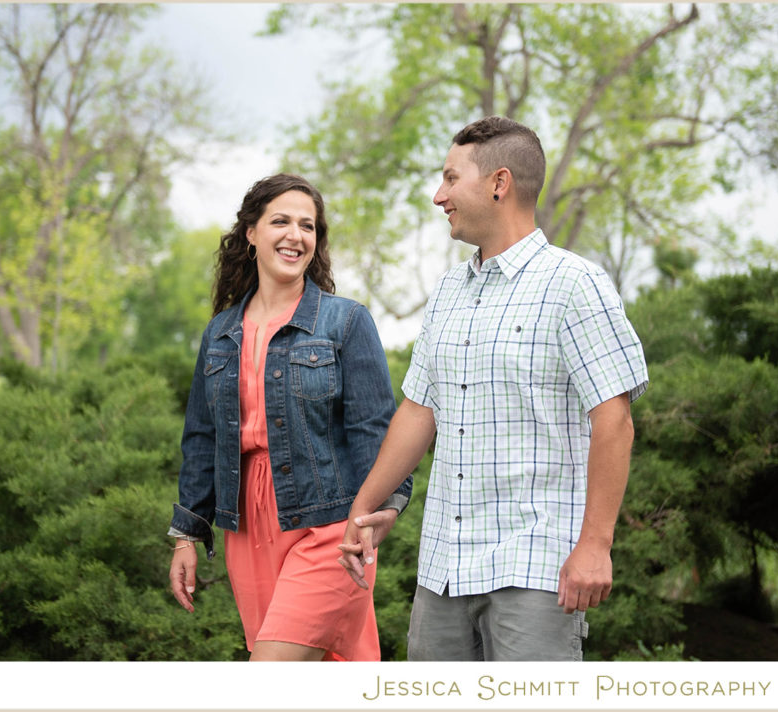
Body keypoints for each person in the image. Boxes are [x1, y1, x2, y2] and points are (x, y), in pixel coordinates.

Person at [338, 116, 649, 661]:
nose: (440, 197)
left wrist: (596, 545)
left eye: (451, 179)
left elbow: (614, 420)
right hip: (443, 570)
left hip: (535, 567)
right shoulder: (448, 292)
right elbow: (417, 413)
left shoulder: (575, 285)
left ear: (499, 184)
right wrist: (362, 509)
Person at [168, 173, 412, 661]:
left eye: (308, 226)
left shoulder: (345, 321)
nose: (295, 235)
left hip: (330, 525)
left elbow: (373, 428)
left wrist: (378, 510)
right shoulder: (220, 332)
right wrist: (186, 535)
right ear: (251, 233)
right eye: (280, 221)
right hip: (247, 527)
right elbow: (201, 436)